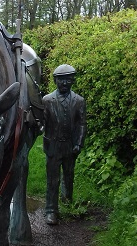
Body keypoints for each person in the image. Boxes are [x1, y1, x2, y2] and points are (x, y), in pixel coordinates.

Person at [42, 64, 87, 225]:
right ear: (55, 80)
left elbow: (82, 124)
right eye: (61, 80)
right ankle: (51, 210)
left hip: (70, 146)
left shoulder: (79, 101)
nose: (64, 83)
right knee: (52, 179)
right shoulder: (47, 100)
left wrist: (79, 144)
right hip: (53, 146)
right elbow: (43, 122)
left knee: (69, 175)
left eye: (68, 80)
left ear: (73, 80)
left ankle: (67, 202)